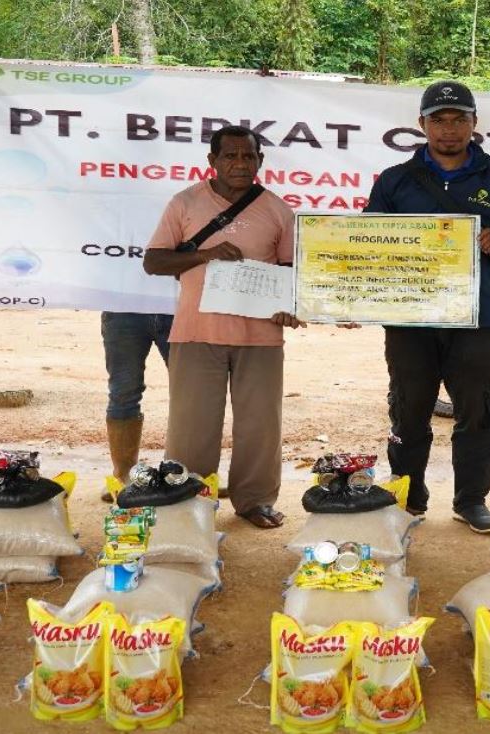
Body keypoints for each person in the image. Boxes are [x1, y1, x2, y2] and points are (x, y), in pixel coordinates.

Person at [364, 81, 490, 533]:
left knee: (477, 410)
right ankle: (408, 496)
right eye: (439, 120)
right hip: (409, 318)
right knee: (409, 408)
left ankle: (471, 500)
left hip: (475, 317)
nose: (449, 129)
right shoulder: (394, 180)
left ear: (474, 124)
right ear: (421, 124)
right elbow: (365, 245)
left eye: (459, 119)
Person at [142, 125, 302, 529]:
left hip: (262, 337)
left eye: (248, 156)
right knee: (191, 425)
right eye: (229, 156)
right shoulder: (185, 203)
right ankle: (188, 500)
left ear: (260, 162)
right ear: (212, 162)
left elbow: (289, 273)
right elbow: (154, 262)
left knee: (261, 424)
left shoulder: (279, 210)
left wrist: (287, 307)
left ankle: (255, 501)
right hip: (197, 332)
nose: (239, 163)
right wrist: (206, 255)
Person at [99, 311, 173, 502]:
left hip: (176, 305)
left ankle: (191, 475)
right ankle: (124, 479)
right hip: (123, 308)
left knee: (191, 394)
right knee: (123, 394)